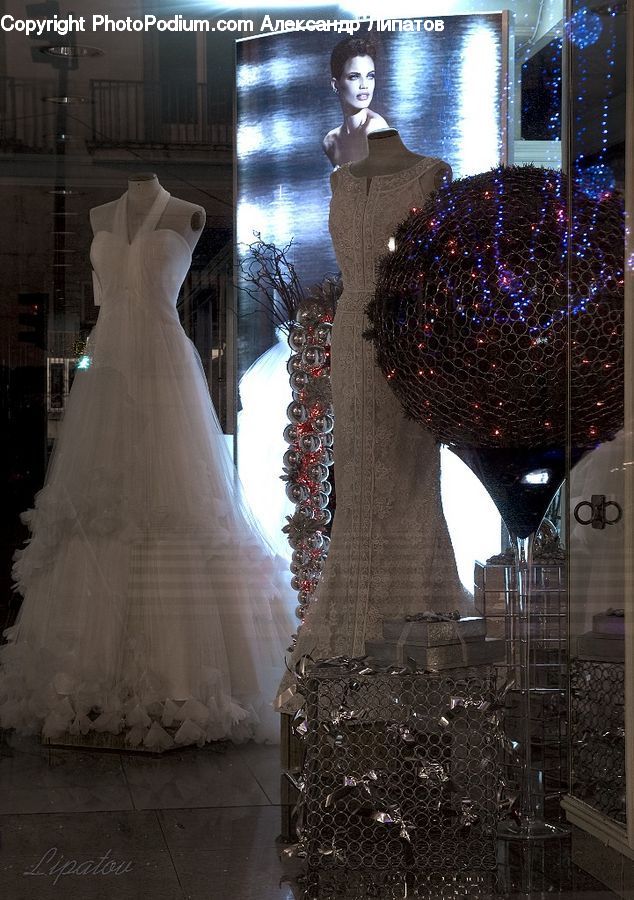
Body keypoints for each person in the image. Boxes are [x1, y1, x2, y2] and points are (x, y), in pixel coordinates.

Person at [0, 174, 296, 749]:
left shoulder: (187, 212)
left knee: (174, 506)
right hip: (108, 370)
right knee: (101, 504)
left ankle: (182, 679)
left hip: (164, 368)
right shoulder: (99, 215)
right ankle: (85, 678)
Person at [277, 131, 474, 712]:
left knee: (410, 482)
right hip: (350, 336)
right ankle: (354, 635)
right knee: (358, 488)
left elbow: (443, 268)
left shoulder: (432, 174)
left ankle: (413, 635)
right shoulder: (339, 179)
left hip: (406, 334)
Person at [323, 36, 389, 168]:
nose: (364, 85)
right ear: (335, 85)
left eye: (370, 76)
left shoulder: (376, 131)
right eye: (354, 77)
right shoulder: (331, 143)